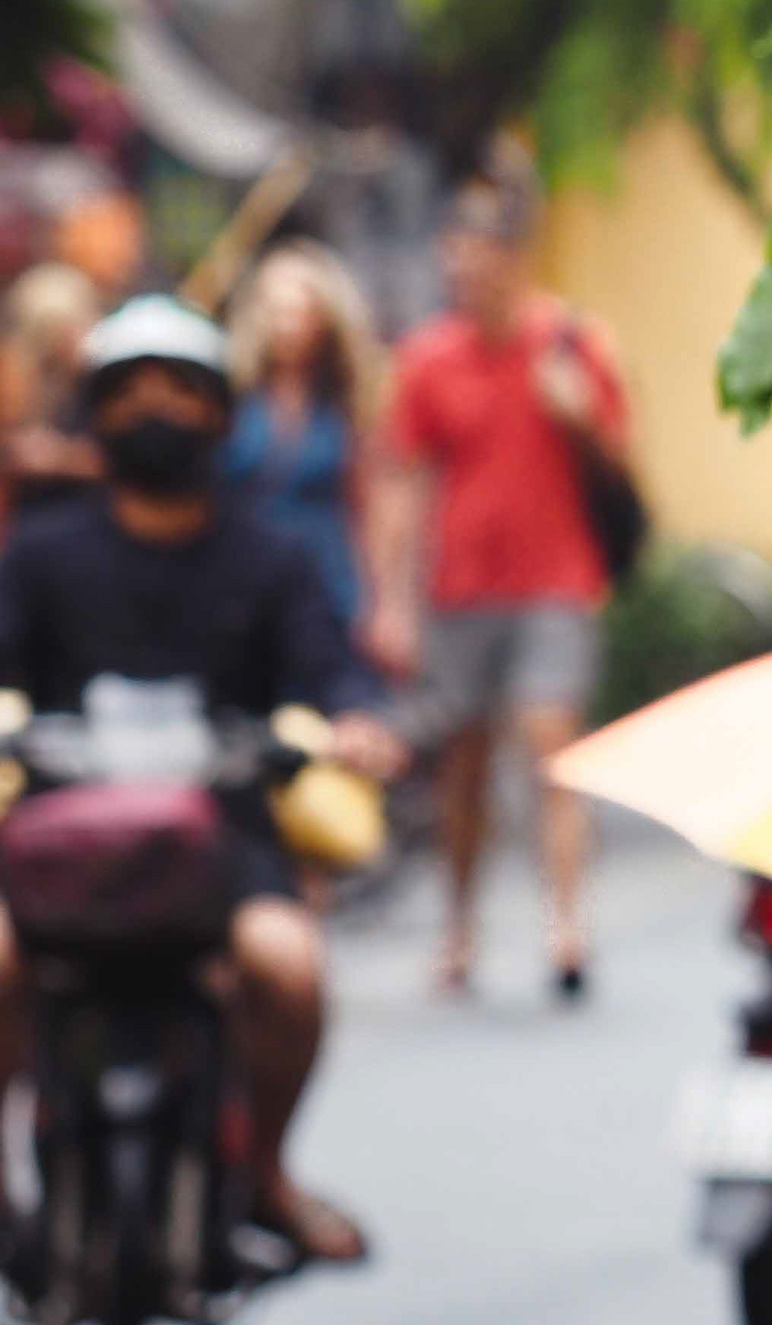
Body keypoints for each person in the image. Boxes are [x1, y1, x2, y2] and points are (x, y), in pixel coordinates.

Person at [0, 297, 407, 1264]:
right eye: (130, 392)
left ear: (221, 415)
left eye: (178, 391)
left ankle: (264, 1170)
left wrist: (359, 725)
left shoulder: (271, 557)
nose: (155, 410)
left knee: (292, 970)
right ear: (95, 415)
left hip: (225, 848)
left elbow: (335, 669)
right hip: (57, 851)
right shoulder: (42, 556)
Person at [364, 180, 630, 1001]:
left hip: (556, 581)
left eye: (478, 267)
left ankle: (566, 927)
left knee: (555, 752)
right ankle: (461, 927)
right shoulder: (425, 359)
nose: (464, 283)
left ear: (514, 262)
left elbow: (627, 469)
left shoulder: (573, 345)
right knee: (464, 768)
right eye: (455, 270)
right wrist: (393, 600)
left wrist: (579, 416)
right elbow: (400, 484)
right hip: (461, 589)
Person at [223, 242, 389, 639]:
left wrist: (380, 599)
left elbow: (370, 503)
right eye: (276, 310)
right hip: (243, 570)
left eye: (300, 311)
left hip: (326, 574)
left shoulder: (347, 398)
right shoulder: (234, 393)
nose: (287, 325)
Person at [0, 263, 102, 532]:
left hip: (84, 515)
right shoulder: (18, 372)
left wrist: (61, 458)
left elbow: (123, 460)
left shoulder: (100, 381)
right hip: (28, 517)